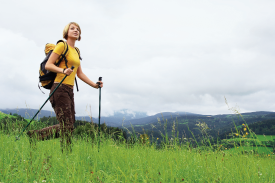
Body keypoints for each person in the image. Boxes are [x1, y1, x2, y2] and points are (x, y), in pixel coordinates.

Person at [28, 22, 103, 151]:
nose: (76, 30)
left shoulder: (76, 50)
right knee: (67, 125)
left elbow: (79, 73)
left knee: (69, 125)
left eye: (78, 29)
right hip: (59, 88)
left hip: (69, 89)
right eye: (72, 28)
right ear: (66, 32)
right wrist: (63, 71)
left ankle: (35, 135)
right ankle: (66, 155)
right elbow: (48, 65)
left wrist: (94, 85)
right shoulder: (62, 45)